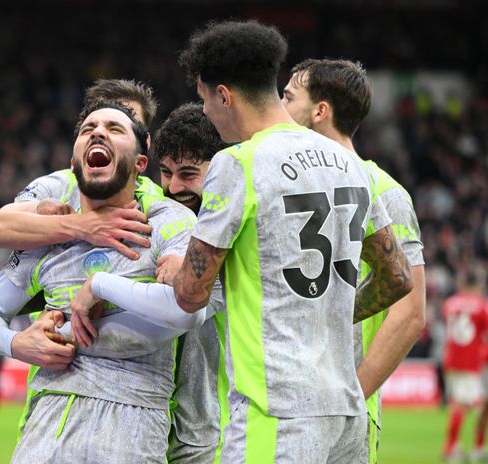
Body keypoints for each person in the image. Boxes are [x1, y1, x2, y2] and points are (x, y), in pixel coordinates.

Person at [70, 20, 413, 463]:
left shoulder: (239, 164)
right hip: (346, 410)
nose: (206, 112)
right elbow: (397, 276)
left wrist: (117, 281)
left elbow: (190, 295)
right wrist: (327, 313)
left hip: (277, 412)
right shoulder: (348, 163)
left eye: (203, 98)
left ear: (223, 95)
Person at [0, 100, 202, 463]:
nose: (98, 133)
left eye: (115, 128)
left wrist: (99, 287)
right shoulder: (49, 234)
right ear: (74, 163)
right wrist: (17, 343)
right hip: (45, 427)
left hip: (130, 426)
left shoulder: (166, 221)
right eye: (88, 129)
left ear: (140, 163)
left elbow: (188, 311)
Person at [281, 58, 427, 463]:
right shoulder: (285, 182)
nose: (278, 107)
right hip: (285, 404)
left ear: (320, 111)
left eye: (288, 97)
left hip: (343, 413)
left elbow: (411, 312)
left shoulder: (384, 191)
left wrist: (352, 396)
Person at [0, 78, 161, 261]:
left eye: (120, 124)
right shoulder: (58, 184)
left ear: (145, 142)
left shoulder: (159, 202)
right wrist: (82, 225)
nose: (101, 133)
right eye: (95, 124)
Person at [154, 102, 229, 463]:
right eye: (165, 172)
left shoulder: (236, 237)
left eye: (188, 173)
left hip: (210, 437)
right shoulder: (154, 223)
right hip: (153, 429)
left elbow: (181, 310)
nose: (173, 187)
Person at [440, 268, 488, 461]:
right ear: (477, 285)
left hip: (451, 359)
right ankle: (451, 448)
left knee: (462, 402)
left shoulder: (450, 303)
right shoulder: (481, 305)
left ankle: (463, 446)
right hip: (471, 361)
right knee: (464, 404)